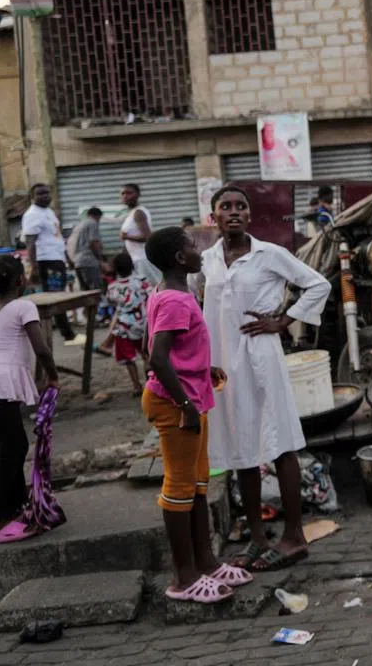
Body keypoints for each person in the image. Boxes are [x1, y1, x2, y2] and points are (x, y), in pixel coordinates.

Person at [202, 187, 331, 572]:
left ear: (250, 215)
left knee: (280, 441)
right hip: (224, 365)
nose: (234, 212)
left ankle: (294, 536)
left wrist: (283, 321)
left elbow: (318, 284)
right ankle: (257, 538)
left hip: (261, 358)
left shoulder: (269, 254)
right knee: (242, 444)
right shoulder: (208, 260)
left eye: (241, 206)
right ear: (215, 217)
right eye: (226, 207)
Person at [142, 226, 251, 604]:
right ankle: (183, 578)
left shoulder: (173, 293)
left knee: (198, 484)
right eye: (191, 246)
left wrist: (203, 372)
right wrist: (184, 404)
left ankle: (206, 563)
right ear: (178, 258)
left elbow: (166, 350)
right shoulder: (175, 300)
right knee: (178, 488)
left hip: (191, 394)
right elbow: (157, 358)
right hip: (177, 403)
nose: (199, 251)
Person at [0, 256, 59, 528]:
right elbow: (42, 348)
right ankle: (4, 507)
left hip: (3, 381)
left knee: (8, 444)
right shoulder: (23, 306)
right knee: (15, 446)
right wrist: (53, 377)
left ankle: (15, 502)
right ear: (21, 281)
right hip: (4, 381)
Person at [21, 184, 76, 341]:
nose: (45, 196)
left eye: (47, 192)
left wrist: (67, 257)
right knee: (55, 297)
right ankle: (67, 334)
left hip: (57, 259)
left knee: (59, 295)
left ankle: (64, 331)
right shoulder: (32, 214)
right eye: (40, 194)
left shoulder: (48, 212)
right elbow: (30, 243)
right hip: (46, 261)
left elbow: (56, 237)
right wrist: (34, 267)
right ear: (32, 197)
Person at [105, 251, 153, 397]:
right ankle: (151, 384)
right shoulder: (142, 281)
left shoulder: (112, 288)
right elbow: (152, 295)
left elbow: (111, 302)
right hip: (144, 325)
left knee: (128, 359)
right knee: (147, 355)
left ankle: (137, 386)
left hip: (124, 327)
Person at [119, 183, 161, 285]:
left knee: (152, 289)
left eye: (129, 193)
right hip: (137, 259)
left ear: (137, 194)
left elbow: (147, 236)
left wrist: (126, 236)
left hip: (143, 259)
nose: (125, 196)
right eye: (123, 193)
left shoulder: (138, 212)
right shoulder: (132, 213)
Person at [69, 207, 104, 292]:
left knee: (85, 293)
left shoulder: (79, 225)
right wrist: (100, 260)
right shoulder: (93, 223)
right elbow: (93, 243)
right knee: (95, 291)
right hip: (89, 262)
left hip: (78, 262)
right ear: (98, 216)